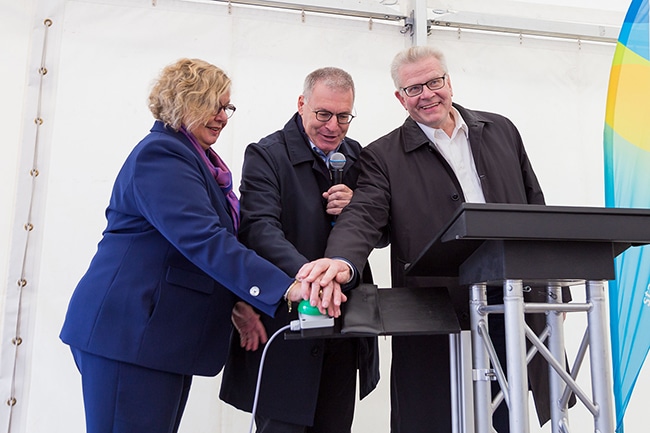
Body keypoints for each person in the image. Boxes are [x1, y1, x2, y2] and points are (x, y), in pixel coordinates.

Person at [297, 46, 572, 432]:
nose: (426, 94)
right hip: (440, 304)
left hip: (513, 297)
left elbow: (534, 204)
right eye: (413, 89)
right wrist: (341, 261)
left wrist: (552, 277)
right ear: (400, 98)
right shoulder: (382, 156)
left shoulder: (502, 130)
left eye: (434, 82)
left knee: (515, 413)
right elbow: (364, 215)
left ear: (449, 82)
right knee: (438, 414)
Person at [59, 58, 341, 433]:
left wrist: (238, 303)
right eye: (213, 105)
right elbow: (205, 239)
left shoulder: (201, 160)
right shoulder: (161, 155)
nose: (223, 116)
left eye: (227, 107)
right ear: (182, 101)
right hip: (129, 333)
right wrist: (287, 287)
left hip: (159, 339)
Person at [219, 67, 379, 433]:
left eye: (343, 117)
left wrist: (358, 208)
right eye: (323, 114)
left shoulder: (358, 158)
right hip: (286, 320)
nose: (333, 126)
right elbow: (259, 228)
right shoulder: (267, 154)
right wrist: (312, 277)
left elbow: (381, 232)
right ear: (301, 104)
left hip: (344, 326)